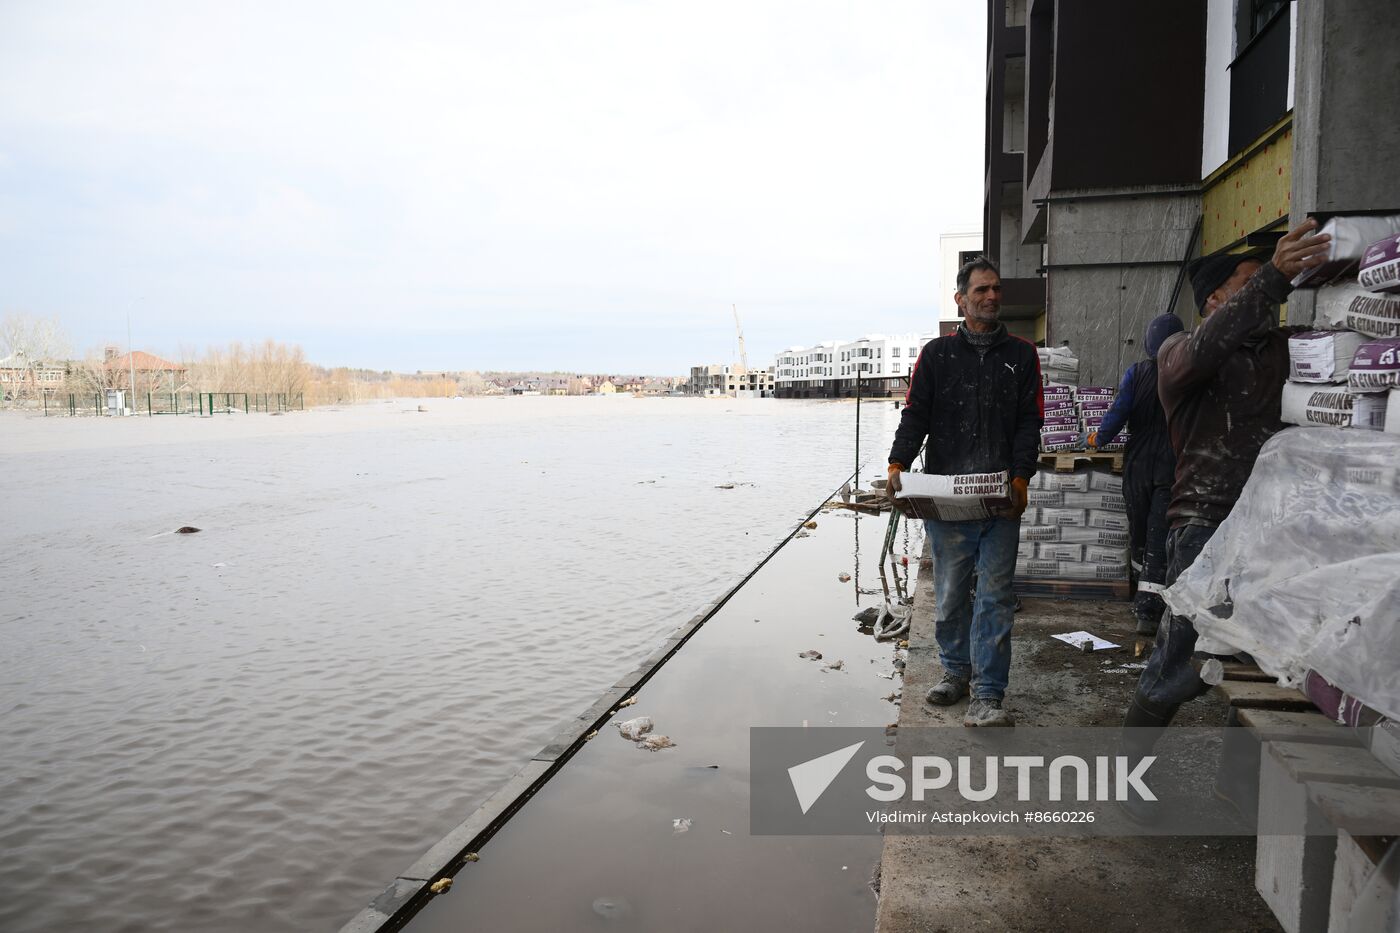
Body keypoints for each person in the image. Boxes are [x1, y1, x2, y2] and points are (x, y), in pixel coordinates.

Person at [1118, 218, 1330, 821]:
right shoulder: (1180, 354)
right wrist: (1272, 276)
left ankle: (1237, 786)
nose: (1267, 291)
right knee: (1178, 657)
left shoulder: (1280, 350)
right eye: (1247, 282)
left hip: (1276, 528)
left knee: (1261, 659)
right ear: (1215, 299)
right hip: (1206, 526)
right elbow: (1206, 348)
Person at [885, 256, 1043, 727]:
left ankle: (989, 695)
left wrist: (1021, 476)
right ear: (961, 299)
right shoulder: (936, 356)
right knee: (952, 595)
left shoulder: (1021, 355)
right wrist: (899, 462)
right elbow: (916, 413)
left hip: (999, 499)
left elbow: (1029, 421)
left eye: (996, 289)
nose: (991, 297)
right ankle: (955, 672)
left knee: (995, 596)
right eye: (981, 290)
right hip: (947, 499)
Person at [1085, 313, 1184, 636]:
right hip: (1172, 462)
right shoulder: (1187, 373)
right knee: (1159, 532)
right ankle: (1150, 602)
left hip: (1139, 463)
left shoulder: (1138, 373)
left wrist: (1098, 439)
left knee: (1141, 530)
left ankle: (1145, 606)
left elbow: (1118, 412)